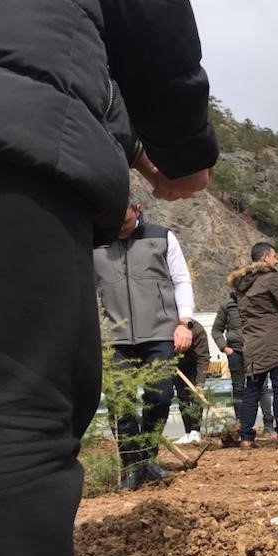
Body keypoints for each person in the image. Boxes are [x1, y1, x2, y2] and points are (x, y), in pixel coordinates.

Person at [0, 0, 217, 556]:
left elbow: (176, 284)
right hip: (4, 131)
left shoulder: (159, 243)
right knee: (16, 406)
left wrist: (183, 323)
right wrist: (178, 144)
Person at [94, 200, 197, 490]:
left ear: (137, 210)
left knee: (161, 397)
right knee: (121, 404)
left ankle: (148, 457)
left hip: (161, 333)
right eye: (114, 225)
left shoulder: (162, 237)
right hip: (115, 338)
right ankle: (132, 467)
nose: (120, 230)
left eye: (125, 223)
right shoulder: (94, 242)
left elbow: (181, 281)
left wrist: (184, 322)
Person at [227, 243, 278, 449]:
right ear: (265, 257)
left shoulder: (240, 286)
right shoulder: (271, 277)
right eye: (274, 256)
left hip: (252, 344)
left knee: (252, 390)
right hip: (275, 341)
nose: (276, 260)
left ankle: (247, 437)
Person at [211, 291, 275, 431]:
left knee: (262, 388)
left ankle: (268, 424)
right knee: (238, 388)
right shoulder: (226, 306)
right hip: (235, 353)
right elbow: (216, 330)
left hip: (256, 352)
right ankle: (241, 426)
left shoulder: (258, 303)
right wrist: (225, 348)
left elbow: (267, 326)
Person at [174, 318, 211, 445]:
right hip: (177, 365)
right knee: (182, 397)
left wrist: (200, 384)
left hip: (195, 363)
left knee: (196, 396)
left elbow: (203, 358)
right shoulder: (168, 329)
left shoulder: (198, 331)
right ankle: (187, 432)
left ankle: (196, 431)